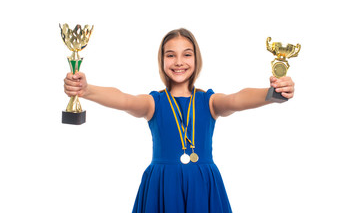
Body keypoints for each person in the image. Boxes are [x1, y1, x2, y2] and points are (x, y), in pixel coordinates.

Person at [64, 28, 295, 213]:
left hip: (203, 185)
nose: (178, 62)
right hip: (163, 185)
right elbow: (124, 99)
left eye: (187, 54)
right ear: (162, 60)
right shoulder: (153, 103)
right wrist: (87, 89)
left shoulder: (210, 102)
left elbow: (237, 98)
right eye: (170, 55)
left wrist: (271, 93)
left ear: (196, 59)